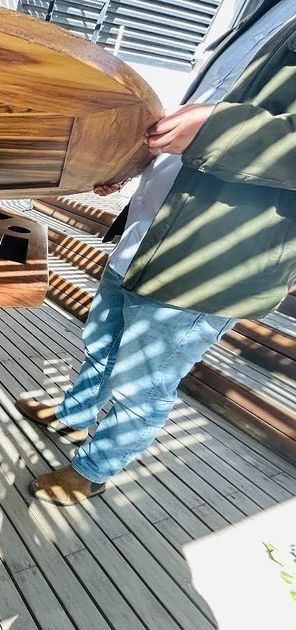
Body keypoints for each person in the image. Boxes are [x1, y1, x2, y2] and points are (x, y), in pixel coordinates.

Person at [19, 0, 296, 505]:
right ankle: (74, 417)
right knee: (102, 342)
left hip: (208, 261)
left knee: (141, 384)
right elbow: (201, 110)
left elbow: (220, 126)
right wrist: (132, 164)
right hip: (148, 229)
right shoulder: (263, 10)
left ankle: (94, 470)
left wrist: (218, 129)